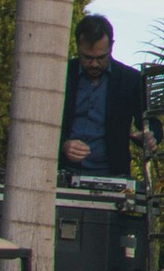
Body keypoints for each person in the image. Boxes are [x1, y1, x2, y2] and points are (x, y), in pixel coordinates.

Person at [59, 15, 146, 181]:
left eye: (101, 58)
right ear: (77, 46)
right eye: (87, 57)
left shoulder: (130, 79)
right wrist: (63, 145)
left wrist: (148, 136)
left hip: (111, 174)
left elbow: (149, 123)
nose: (94, 64)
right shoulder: (62, 74)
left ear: (111, 46)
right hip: (62, 172)